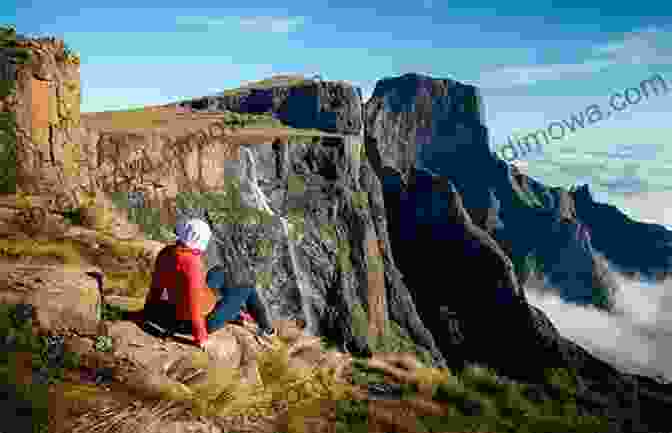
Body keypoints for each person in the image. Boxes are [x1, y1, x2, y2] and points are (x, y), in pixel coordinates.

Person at [142, 218, 275, 350]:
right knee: (247, 287)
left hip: (180, 308)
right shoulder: (191, 263)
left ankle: (234, 311)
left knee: (218, 271)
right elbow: (194, 307)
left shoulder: (166, 252)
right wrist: (201, 338)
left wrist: (148, 311)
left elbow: (156, 288)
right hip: (204, 320)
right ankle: (266, 328)